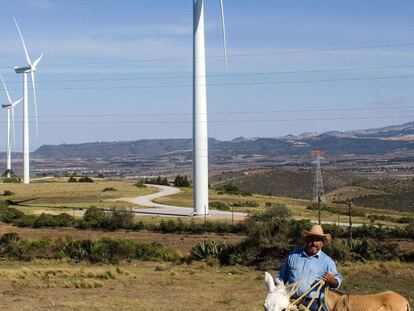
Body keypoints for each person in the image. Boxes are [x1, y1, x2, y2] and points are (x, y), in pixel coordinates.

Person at [277, 224, 342, 311]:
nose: (314, 243)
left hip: (314, 303)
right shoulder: (293, 255)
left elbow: (336, 283)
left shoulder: (327, 261)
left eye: (318, 240)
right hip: (291, 301)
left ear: (322, 244)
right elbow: (280, 279)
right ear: (306, 240)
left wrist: (331, 280)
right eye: (311, 239)